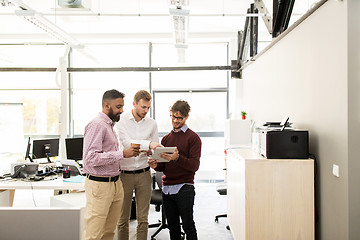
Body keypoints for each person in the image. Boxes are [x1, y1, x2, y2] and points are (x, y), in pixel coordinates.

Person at [82, 89, 140, 240]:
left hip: (114, 184)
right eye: (118, 106)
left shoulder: (109, 125)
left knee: (108, 232)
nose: (122, 110)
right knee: (93, 234)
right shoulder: (97, 125)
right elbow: (90, 158)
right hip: (100, 185)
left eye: (122, 106)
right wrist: (122, 154)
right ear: (107, 106)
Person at [148, 100, 202, 240]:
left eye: (179, 118)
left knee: (188, 225)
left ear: (186, 117)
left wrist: (178, 158)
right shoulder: (166, 139)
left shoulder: (193, 138)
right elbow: (163, 166)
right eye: (173, 116)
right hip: (167, 189)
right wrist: (156, 165)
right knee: (173, 226)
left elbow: (194, 166)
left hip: (184, 187)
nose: (175, 120)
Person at [115, 90, 162, 240]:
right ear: (134, 104)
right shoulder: (121, 120)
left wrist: (151, 153)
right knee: (123, 219)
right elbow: (127, 144)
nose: (146, 111)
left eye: (148, 107)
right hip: (124, 174)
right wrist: (149, 145)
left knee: (143, 219)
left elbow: (153, 151)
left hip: (144, 174)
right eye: (143, 107)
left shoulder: (152, 123)